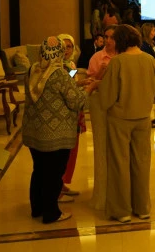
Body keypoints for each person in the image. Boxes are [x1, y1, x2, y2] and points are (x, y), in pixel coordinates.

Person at [99, 25, 155, 222]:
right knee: (141, 163)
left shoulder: (117, 62)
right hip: (143, 118)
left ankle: (122, 210)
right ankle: (142, 207)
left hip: (120, 119)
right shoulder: (149, 60)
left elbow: (106, 98)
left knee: (119, 163)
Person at [22, 36, 87, 224]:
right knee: (53, 173)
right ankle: (51, 213)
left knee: (39, 170)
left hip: (34, 131)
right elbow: (76, 101)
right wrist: (88, 91)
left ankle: (37, 208)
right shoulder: (59, 74)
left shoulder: (32, 70)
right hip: (55, 134)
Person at [85, 25, 116, 211]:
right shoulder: (97, 58)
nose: (108, 40)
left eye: (112, 37)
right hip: (101, 107)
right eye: (106, 36)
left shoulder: (124, 56)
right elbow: (89, 83)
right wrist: (101, 73)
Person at [56, 33, 85, 201]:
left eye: (69, 47)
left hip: (73, 110)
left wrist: (80, 84)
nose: (66, 50)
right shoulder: (55, 66)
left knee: (72, 151)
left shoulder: (71, 64)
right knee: (62, 152)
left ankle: (62, 184)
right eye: (63, 47)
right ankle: (57, 189)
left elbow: (73, 83)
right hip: (62, 114)